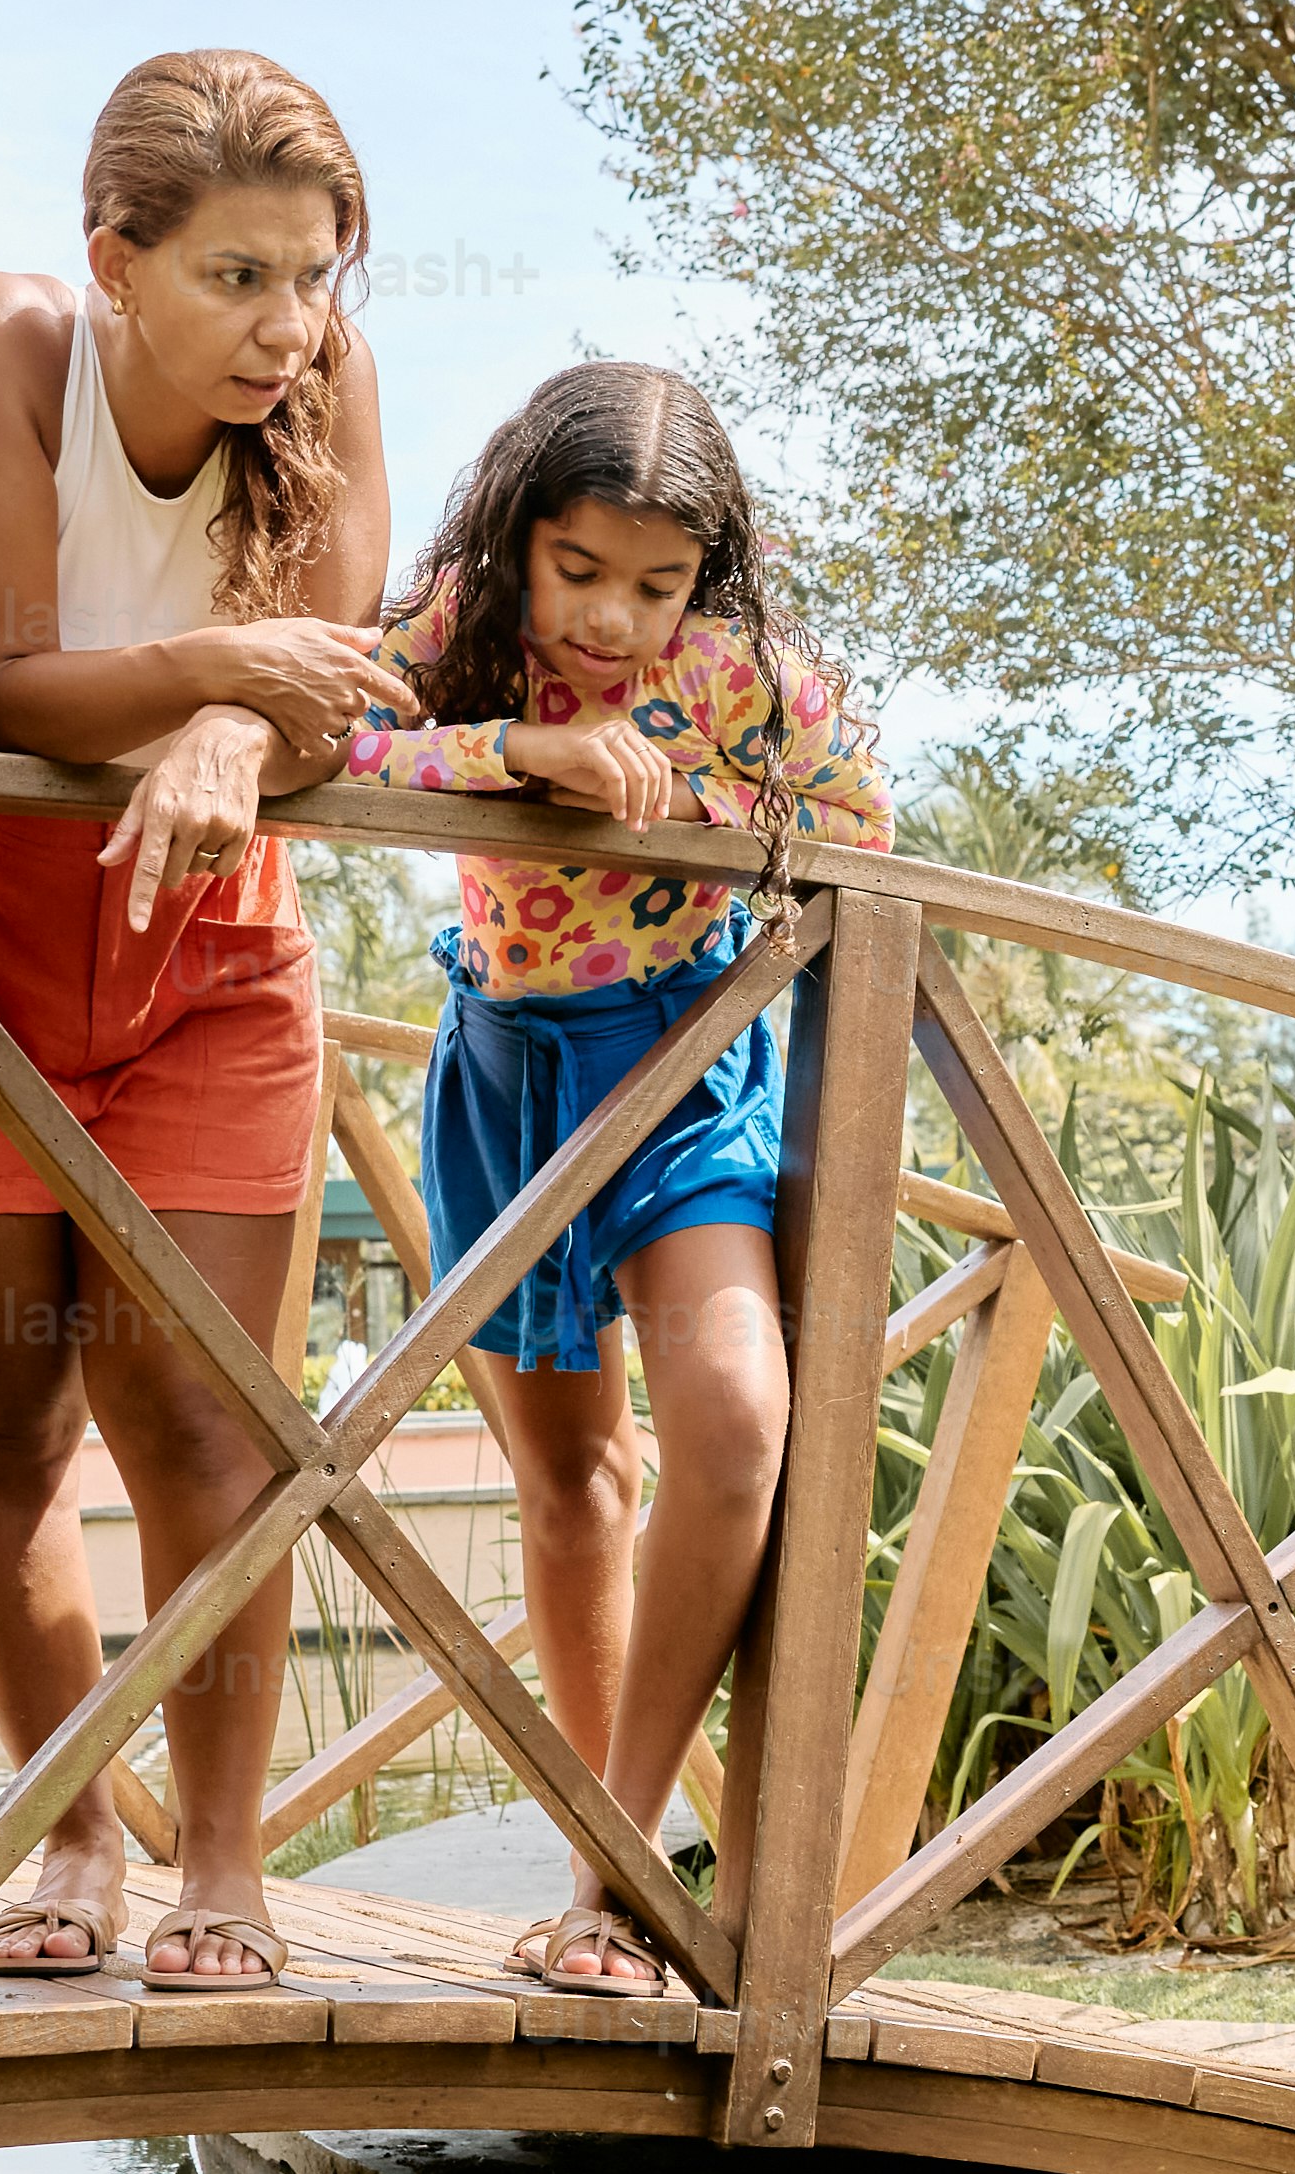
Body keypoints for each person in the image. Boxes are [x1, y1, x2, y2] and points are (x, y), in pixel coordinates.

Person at [0, 50, 413, 1998]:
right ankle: (65, 1832)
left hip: (211, 962)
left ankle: (222, 1867)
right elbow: (6, 684)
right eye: (239, 280)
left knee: (206, 1425)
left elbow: (329, 685)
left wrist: (219, 721)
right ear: (113, 258)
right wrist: (214, 673)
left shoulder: (329, 387)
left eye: (315, 276)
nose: (291, 330)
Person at [339, 366, 887, 1999]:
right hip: (503, 1070)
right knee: (570, 1476)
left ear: (707, 571)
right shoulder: (463, 626)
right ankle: (601, 1865)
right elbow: (337, 733)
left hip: (681, 1056)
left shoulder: (746, 678)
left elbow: (857, 824)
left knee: (732, 1418)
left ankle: (623, 1860)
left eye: (657, 585)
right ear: (522, 534)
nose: (614, 621)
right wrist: (520, 750)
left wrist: (695, 810)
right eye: (580, 571)